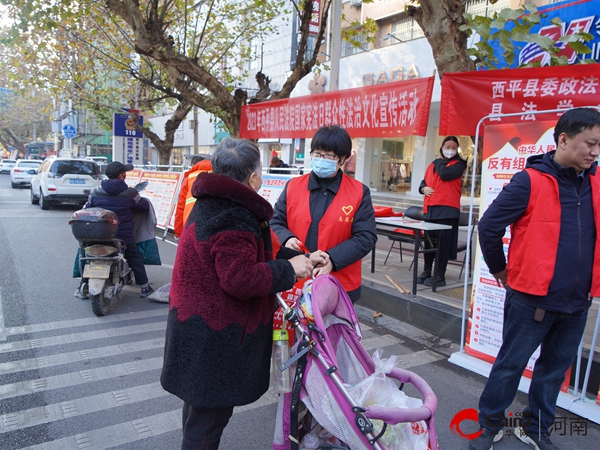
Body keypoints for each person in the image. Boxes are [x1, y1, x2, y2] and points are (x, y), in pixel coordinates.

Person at [160, 138, 323, 450]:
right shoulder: (234, 214)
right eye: (261, 170)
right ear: (252, 178)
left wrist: (294, 260)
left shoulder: (211, 202)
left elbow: (247, 258)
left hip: (199, 329)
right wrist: (290, 272)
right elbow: (240, 277)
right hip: (216, 337)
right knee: (206, 423)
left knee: (199, 411)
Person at [469, 107, 600, 450]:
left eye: (599, 145)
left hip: (577, 301)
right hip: (531, 298)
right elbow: (489, 226)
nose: (595, 152)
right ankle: (489, 425)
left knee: (553, 371)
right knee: (510, 365)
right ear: (563, 139)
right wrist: (501, 271)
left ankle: (536, 428)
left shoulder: (596, 183)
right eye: (590, 143)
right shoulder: (530, 181)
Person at [271, 125, 377, 303]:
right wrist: (286, 238)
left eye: (329, 156)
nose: (322, 160)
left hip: (338, 281)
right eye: (317, 154)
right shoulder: (293, 186)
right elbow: (275, 222)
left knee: (332, 330)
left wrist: (332, 260)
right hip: (294, 279)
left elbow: (366, 237)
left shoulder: (359, 192)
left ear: (343, 158)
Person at [83, 161, 154, 298]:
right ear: (122, 175)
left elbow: (87, 208)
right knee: (134, 258)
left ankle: (83, 285)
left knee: (88, 257)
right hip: (123, 237)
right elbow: (144, 206)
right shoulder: (131, 193)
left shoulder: (96, 192)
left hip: (98, 236)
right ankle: (144, 287)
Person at [417, 136, 466, 287]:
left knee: (442, 244)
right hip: (431, 209)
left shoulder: (459, 164)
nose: (450, 150)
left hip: (447, 210)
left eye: (453, 148)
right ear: (442, 147)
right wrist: (422, 188)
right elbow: (424, 182)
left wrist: (438, 160)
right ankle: (426, 271)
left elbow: (445, 174)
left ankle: (439, 275)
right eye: (447, 147)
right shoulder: (433, 164)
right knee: (429, 243)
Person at [173, 154, 212, 238]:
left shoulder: (189, 178)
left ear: (194, 165)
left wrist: (178, 233)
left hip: (190, 227)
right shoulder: (222, 176)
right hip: (214, 228)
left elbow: (180, 207)